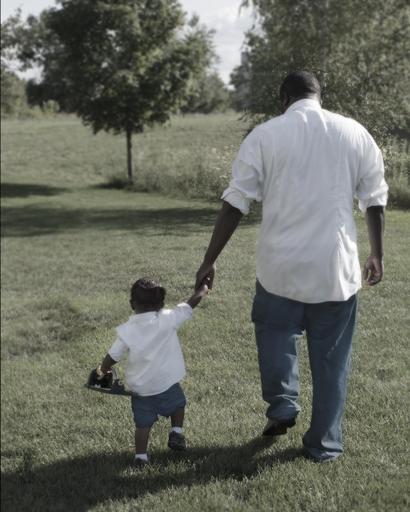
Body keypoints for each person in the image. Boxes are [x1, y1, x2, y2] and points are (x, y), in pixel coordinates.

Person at [195, 71, 388, 462]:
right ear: (319, 95)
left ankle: (283, 403)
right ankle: (324, 445)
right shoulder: (354, 132)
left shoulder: (265, 135)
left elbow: (235, 202)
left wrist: (209, 259)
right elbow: (375, 199)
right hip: (335, 269)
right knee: (332, 361)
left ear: (283, 98)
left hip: (279, 267)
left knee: (275, 334)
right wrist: (377, 254)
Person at [96, 277, 209, 468]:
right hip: (166, 383)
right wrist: (203, 289)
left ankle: (141, 457)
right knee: (178, 405)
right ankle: (176, 432)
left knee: (143, 425)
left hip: (141, 390)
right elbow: (190, 304)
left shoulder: (127, 331)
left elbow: (113, 355)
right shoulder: (168, 319)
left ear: (132, 304)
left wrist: (103, 369)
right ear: (161, 303)